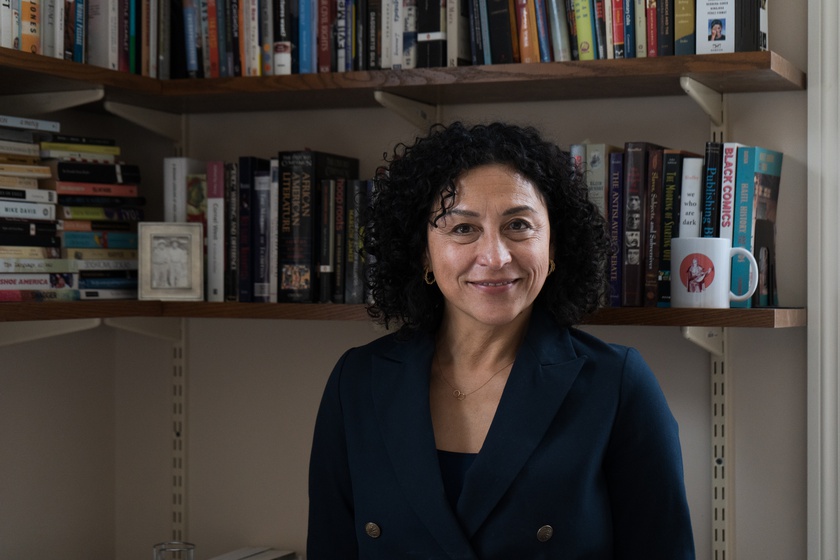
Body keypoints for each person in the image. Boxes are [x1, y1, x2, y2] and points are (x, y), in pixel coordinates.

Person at [307, 122, 695, 559]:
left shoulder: (618, 385)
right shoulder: (356, 382)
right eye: (462, 229)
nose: (495, 256)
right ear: (423, 252)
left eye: (518, 225)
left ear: (553, 247)